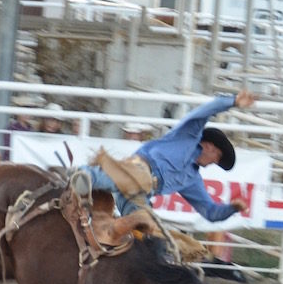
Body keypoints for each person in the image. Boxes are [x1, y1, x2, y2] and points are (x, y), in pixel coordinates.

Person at [87, 89, 255, 222]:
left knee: (149, 237)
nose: (214, 163)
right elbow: (206, 110)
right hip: (137, 169)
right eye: (217, 157)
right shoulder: (188, 135)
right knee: (104, 178)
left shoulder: (192, 180)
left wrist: (232, 208)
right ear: (209, 146)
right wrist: (233, 101)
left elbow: (210, 212)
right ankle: (81, 178)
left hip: (139, 196)